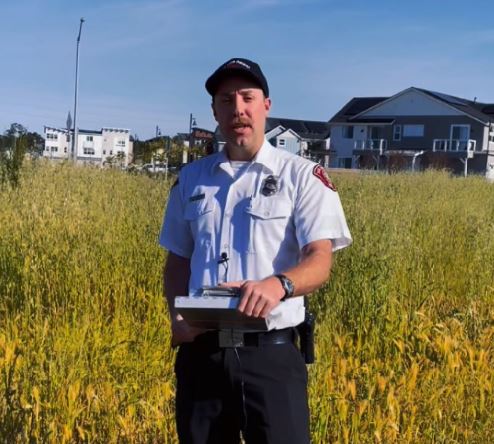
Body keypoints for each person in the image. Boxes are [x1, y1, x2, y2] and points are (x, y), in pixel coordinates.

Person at [159, 57, 352, 444]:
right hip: (203, 356)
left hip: (271, 356)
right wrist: (178, 318)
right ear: (215, 111)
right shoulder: (192, 180)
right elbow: (178, 258)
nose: (238, 109)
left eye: (247, 97)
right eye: (226, 100)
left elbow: (319, 260)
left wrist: (278, 285)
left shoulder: (302, 177)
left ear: (266, 104)